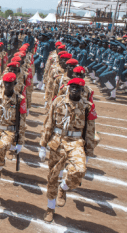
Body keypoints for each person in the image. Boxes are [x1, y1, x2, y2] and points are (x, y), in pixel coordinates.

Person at [40, 78, 97, 222]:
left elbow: (90, 130)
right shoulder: (58, 101)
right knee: (52, 177)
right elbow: (49, 124)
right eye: (72, 86)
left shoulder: (87, 106)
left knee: (79, 170)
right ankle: (50, 208)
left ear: (82, 90)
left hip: (76, 142)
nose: (74, 89)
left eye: (78, 87)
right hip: (57, 141)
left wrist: (88, 152)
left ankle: (63, 188)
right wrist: (42, 145)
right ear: (68, 87)